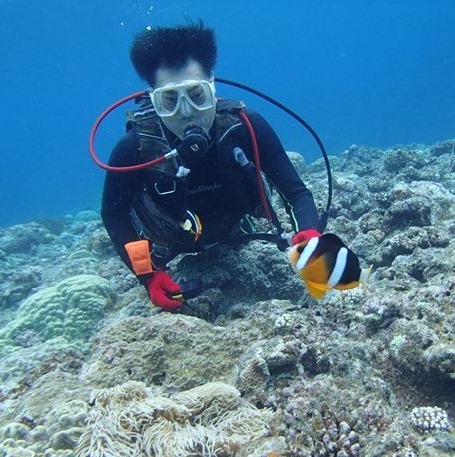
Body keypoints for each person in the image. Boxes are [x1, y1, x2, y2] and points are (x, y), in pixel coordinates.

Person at [101, 21, 323, 311]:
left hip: (235, 229)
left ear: (213, 87)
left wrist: (309, 233)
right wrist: (148, 276)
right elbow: (114, 214)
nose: (186, 113)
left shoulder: (247, 128)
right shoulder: (134, 148)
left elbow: (296, 192)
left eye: (197, 96)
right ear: (152, 99)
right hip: (172, 245)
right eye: (169, 100)